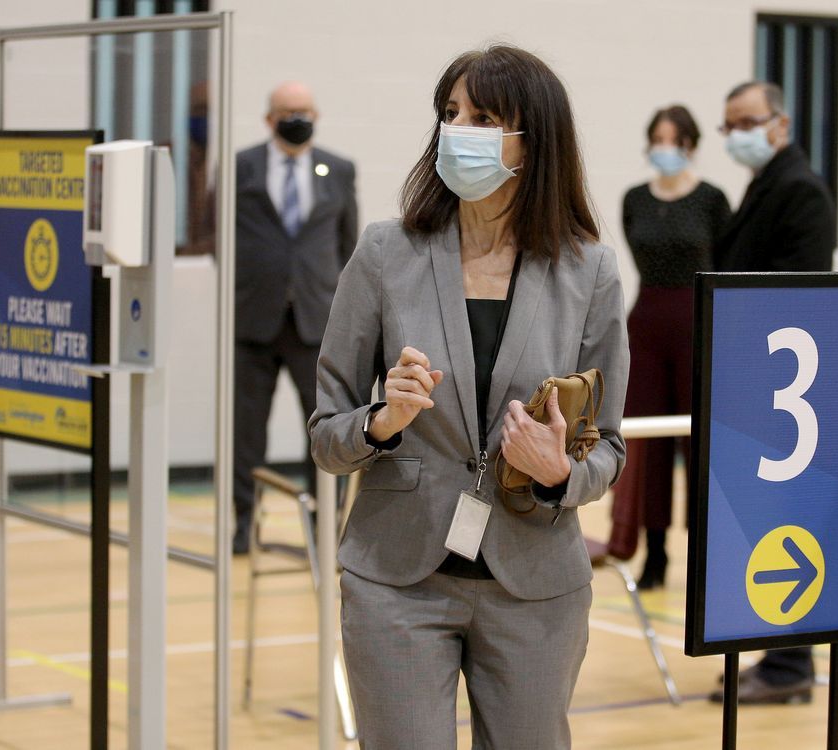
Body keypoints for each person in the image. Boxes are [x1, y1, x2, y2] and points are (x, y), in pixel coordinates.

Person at [309, 46, 629, 748]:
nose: (459, 130)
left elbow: (607, 448)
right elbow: (326, 433)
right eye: (450, 113)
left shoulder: (591, 271)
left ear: (532, 140)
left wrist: (558, 472)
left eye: (484, 117)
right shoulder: (384, 254)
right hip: (396, 580)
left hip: (536, 584)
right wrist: (382, 423)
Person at [707, 81, 836, 705]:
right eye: (729, 125)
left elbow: (799, 297)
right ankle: (775, 654)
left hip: (787, 388)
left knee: (787, 523)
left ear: (780, 125)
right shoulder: (766, 186)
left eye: (747, 122)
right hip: (757, 381)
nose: (737, 135)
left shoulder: (800, 191)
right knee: (763, 523)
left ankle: (790, 665)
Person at [233, 82, 358, 554]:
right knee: (245, 433)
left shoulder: (339, 169)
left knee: (327, 429)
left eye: (304, 110)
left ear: (317, 114)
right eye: (287, 111)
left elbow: (349, 247)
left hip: (315, 323)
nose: (296, 118)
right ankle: (244, 524)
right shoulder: (243, 167)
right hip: (253, 322)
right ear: (269, 119)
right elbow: (220, 238)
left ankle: (330, 530)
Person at [615, 105, 730, 589]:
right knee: (646, 444)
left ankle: (708, 555)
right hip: (645, 326)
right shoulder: (634, 199)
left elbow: (726, 261)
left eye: (672, 140)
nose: (663, 148)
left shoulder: (712, 199)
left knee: (698, 440)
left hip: (697, 325)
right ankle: (655, 554)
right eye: (656, 139)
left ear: (690, 145)